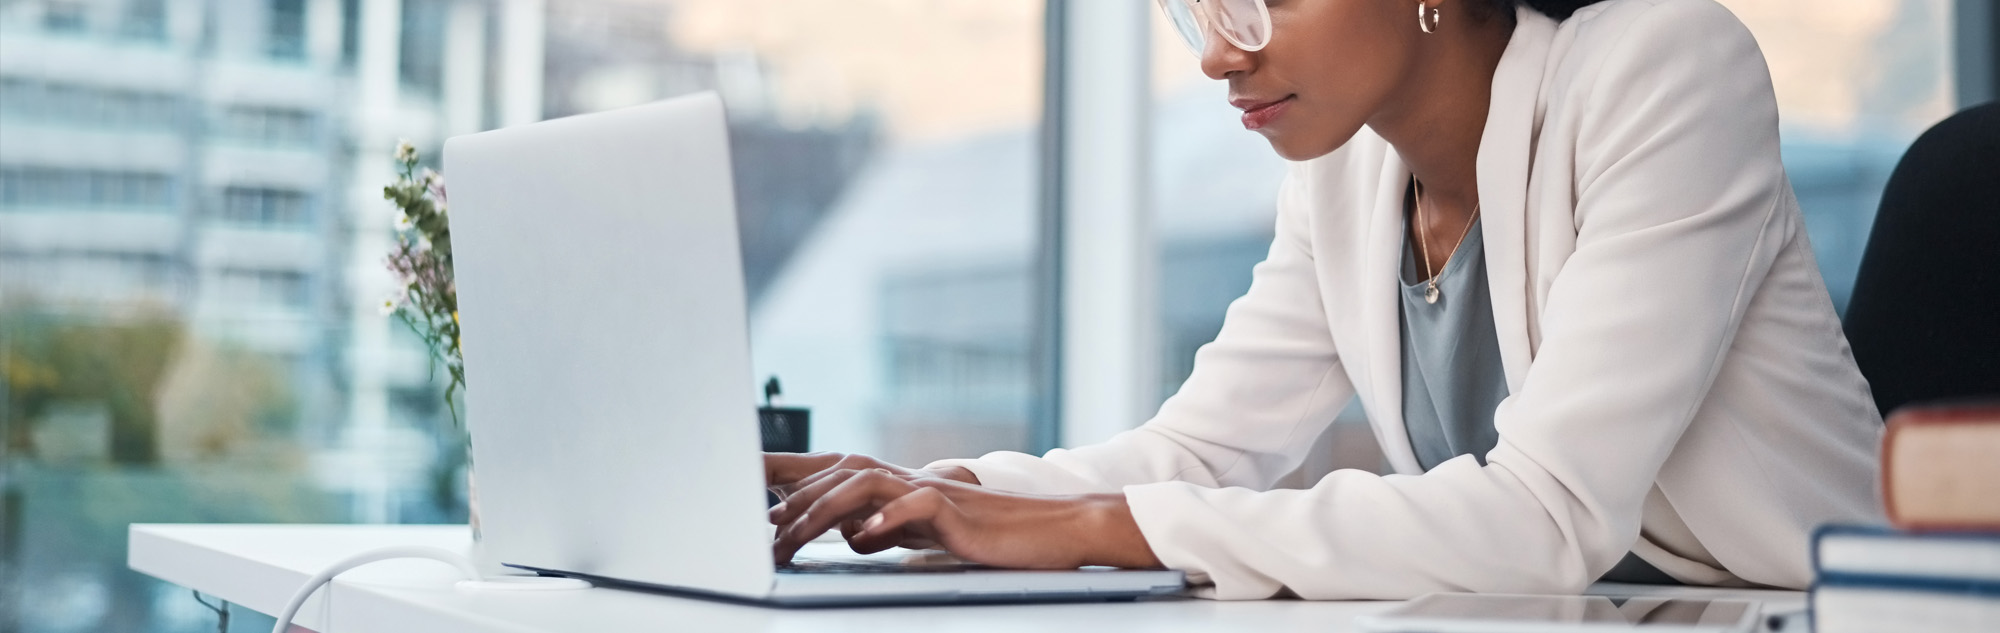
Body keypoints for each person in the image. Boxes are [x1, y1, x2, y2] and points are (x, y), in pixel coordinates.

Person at [765, 0, 1882, 600]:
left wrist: (1086, 531)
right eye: (1199, 6)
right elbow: (1202, 451)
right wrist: (938, 491)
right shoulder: (1342, 169)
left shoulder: (1667, 68)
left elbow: (1544, 515)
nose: (1216, 53)